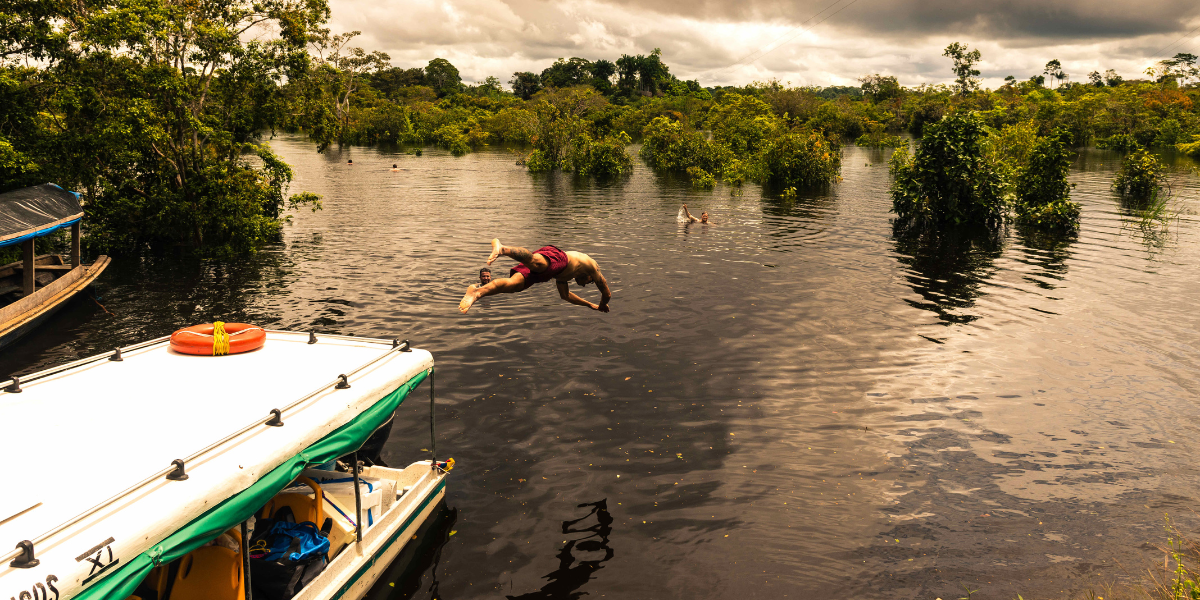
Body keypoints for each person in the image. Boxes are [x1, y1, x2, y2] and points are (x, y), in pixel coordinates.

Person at [459, 239, 611, 314]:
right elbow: (606, 293)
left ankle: (477, 293)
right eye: (589, 282)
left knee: (514, 285)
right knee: (535, 262)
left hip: (549, 272)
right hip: (559, 257)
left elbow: (565, 296)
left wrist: (590, 305)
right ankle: (502, 249)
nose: (584, 284)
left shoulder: (563, 278)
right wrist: (603, 304)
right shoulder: (591, 265)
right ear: (591, 276)